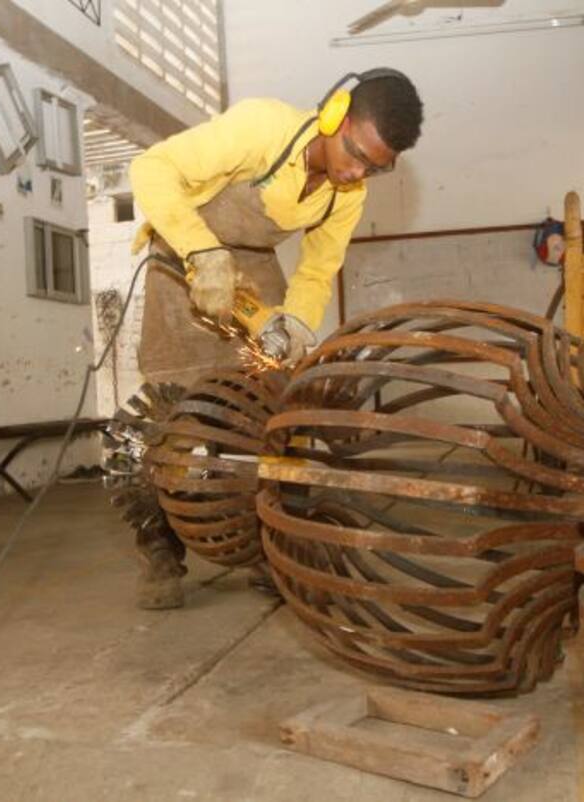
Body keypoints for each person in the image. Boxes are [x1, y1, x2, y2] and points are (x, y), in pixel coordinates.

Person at [127, 69, 424, 609]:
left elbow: (317, 270)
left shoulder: (346, 193)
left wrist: (295, 324)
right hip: (182, 258)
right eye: (355, 153)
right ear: (334, 114)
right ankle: (159, 545)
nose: (356, 172)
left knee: (263, 411)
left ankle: (263, 542)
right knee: (173, 417)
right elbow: (150, 168)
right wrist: (203, 253)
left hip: (254, 270)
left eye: (373, 169)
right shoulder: (262, 126)